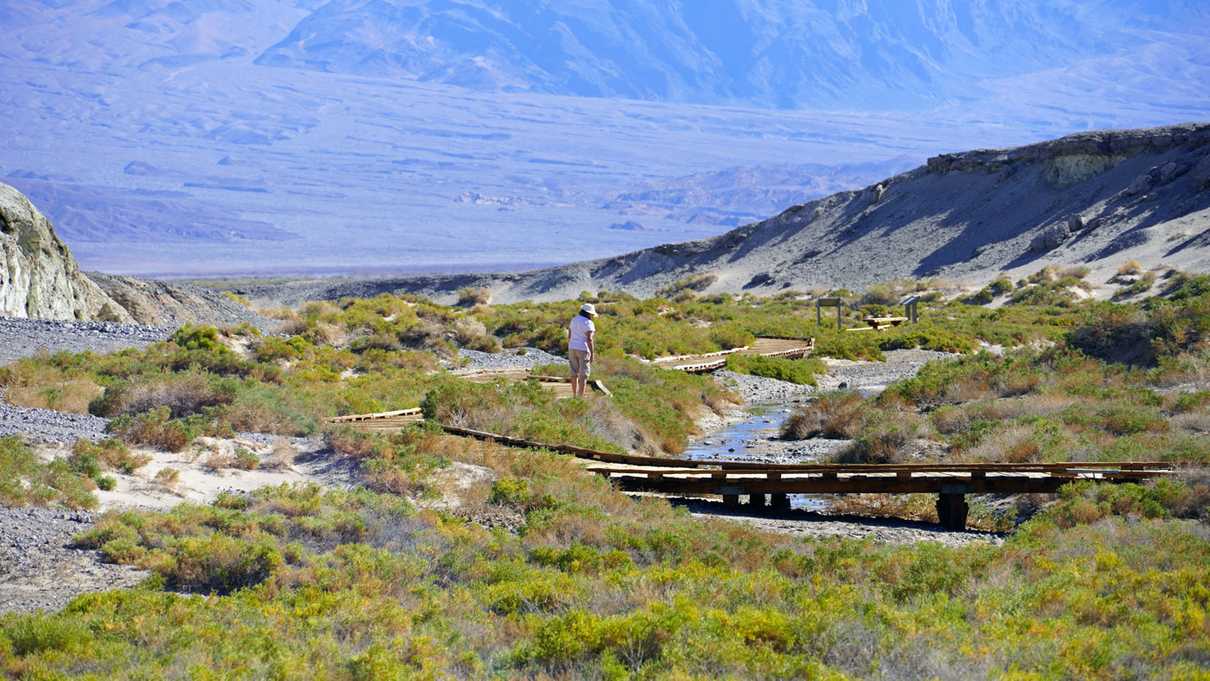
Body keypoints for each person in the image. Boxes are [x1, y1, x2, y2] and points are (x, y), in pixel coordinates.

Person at [568, 302, 597, 398]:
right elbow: (589, 339)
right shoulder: (589, 323)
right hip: (583, 349)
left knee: (574, 372)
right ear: (589, 313)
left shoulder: (574, 320)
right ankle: (581, 397)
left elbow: (569, 336)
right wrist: (592, 353)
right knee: (583, 374)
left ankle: (574, 395)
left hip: (572, 347)